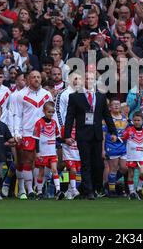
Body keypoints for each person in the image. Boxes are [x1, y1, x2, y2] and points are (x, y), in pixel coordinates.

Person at [64, 71, 118, 200]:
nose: (89, 81)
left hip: (97, 134)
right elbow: (70, 117)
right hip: (82, 134)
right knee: (86, 163)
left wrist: (113, 131)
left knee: (98, 163)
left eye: (92, 78)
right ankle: (89, 190)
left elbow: (107, 115)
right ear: (83, 81)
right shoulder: (75, 97)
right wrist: (66, 135)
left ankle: (93, 187)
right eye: (87, 78)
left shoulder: (100, 96)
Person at [12, 70, 53, 199]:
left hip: (44, 134)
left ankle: (38, 188)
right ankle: (28, 190)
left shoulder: (47, 95)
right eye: (33, 77)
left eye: (38, 77)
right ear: (28, 79)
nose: (36, 79)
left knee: (42, 162)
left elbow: (53, 114)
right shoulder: (20, 95)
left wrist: (54, 131)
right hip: (28, 132)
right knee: (28, 161)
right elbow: (17, 115)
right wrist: (17, 132)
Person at [55, 72, 82, 200]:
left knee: (75, 163)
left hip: (79, 131)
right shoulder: (63, 93)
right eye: (75, 78)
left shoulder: (83, 93)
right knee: (62, 163)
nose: (78, 80)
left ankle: (71, 189)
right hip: (66, 132)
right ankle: (57, 188)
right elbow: (58, 112)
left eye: (79, 78)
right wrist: (63, 131)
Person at [33, 101, 65, 200]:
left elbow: (58, 137)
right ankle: (39, 192)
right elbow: (36, 139)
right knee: (41, 172)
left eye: (52, 112)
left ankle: (58, 191)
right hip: (43, 152)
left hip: (52, 152)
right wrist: (37, 152)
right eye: (49, 112)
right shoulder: (39, 123)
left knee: (54, 170)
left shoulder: (54, 123)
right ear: (44, 111)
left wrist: (65, 141)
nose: (51, 114)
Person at [103, 98, 128, 197]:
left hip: (122, 146)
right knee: (113, 168)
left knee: (124, 168)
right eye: (114, 104)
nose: (117, 106)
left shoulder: (124, 118)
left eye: (118, 104)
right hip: (111, 146)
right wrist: (103, 150)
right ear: (110, 108)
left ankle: (109, 182)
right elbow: (103, 135)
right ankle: (111, 190)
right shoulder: (107, 119)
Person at [121, 111, 143, 200]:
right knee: (131, 175)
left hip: (141, 156)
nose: (136, 122)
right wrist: (117, 137)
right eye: (135, 120)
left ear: (142, 121)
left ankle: (139, 188)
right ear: (132, 120)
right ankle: (132, 192)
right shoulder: (129, 130)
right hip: (131, 156)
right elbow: (122, 137)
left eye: (138, 120)